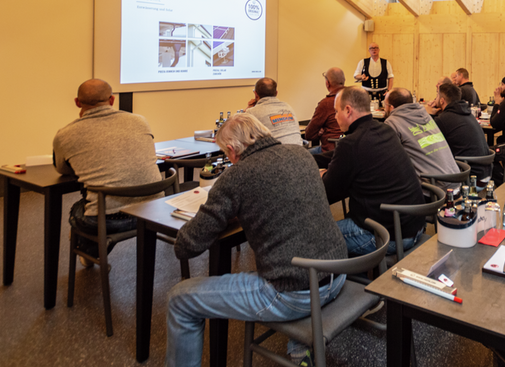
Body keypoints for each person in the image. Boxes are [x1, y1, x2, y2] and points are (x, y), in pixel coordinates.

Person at [166, 113, 347, 367]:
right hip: (337, 276)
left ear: (231, 149)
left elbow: (186, 246)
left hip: (294, 293)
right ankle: (299, 347)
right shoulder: (301, 155)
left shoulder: (237, 175)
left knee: (180, 298)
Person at [53, 79, 163, 263]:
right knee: (98, 196)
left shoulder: (65, 134)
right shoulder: (140, 121)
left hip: (109, 220)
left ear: (77, 103)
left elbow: (62, 168)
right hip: (154, 211)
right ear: (112, 100)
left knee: (79, 208)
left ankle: (90, 250)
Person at [322, 86, 426, 255]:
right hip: (414, 226)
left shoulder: (351, 144)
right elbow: (342, 155)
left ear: (348, 110)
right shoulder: (384, 129)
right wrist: (311, 158)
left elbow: (326, 193)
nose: (335, 117)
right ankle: (360, 274)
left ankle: (350, 275)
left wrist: (323, 175)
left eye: (336, 111)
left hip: (387, 236)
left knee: (312, 237)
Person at [383, 87, 460, 176]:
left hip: (433, 185)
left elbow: (390, 160)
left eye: (385, 104)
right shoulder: (426, 115)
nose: (384, 108)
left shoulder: (393, 122)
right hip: (456, 178)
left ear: (391, 107)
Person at [433, 82, 492, 184]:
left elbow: (431, 145)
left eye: (437, 96)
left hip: (469, 178)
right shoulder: (468, 114)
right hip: (486, 173)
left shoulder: (443, 119)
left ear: (442, 101)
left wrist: (429, 114)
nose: (435, 99)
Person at [245, 77, 301, 145]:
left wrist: (247, 110)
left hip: (274, 154)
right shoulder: (288, 107)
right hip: (300, 152)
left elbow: (241, 137)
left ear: (256, 94)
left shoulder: (251, 112)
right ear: (276, 93)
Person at [304, 67, 345, 154]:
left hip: (331, 151)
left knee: (302, 156)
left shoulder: (326, 103)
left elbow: (309, 135)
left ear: (327, 83)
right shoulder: (354, 97)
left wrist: (320, 132)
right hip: (353, 150)